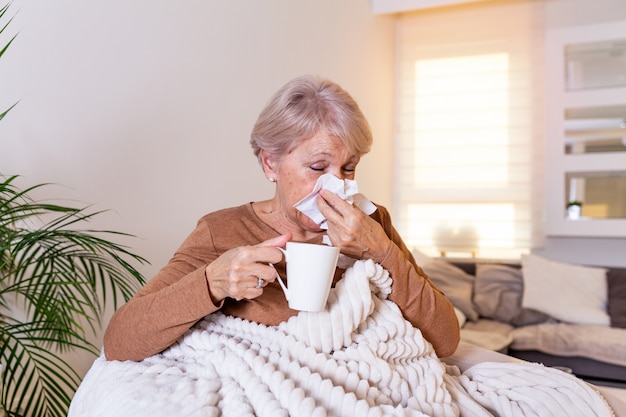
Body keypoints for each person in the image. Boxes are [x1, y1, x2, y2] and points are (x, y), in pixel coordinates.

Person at [103, 75, 460, 362]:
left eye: (349, 168)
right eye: (318, 167)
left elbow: (445, 340)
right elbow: (121, 340)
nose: (337, 184)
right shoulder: (222, 230)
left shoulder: (370, 223)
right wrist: (213, 282)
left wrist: (382, 252)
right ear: (270, 163)